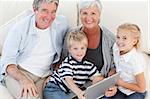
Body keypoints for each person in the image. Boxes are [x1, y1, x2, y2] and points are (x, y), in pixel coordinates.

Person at [0, 0, 69, 99]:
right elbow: (7, 62)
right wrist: (23, 79)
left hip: (45, 75)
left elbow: (69, 47)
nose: (49, 17)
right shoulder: (19, 29)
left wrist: (56, 71)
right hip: (19, 72)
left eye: (53, 11)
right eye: (45, 10)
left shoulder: (62, 23)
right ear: (34, 9)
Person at [62, 0, 117, 97]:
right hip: (73, 89)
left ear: (99, 15)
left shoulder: (110, 39)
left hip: (98, 88)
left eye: (93, 13)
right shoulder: (70, 34)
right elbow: (62, 61)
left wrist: (112, 85)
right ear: (80, 14)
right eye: (84, 13)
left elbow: (114, 67)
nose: (88, 18)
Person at [44, 31, 101, 99]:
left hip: (68, 92)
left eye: (82, 48)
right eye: (75, 48)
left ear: (86, 49)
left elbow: (98, 77)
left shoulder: (88, 66)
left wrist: (97, 81)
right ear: (70, 50)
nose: (79, 51)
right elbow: (69, 81)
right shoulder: (68, 63)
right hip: (54, 88)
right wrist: (79, 92)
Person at [109, 23, 146, 99]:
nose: (119, 41)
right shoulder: (116, 48)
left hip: (135, 91)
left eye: (124, 38)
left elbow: (142, 88)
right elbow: (118, 65)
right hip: (121, 88)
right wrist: (113, 70)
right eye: (118, 37)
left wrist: (121, 83)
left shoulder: (135, 61)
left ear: (134, 42)